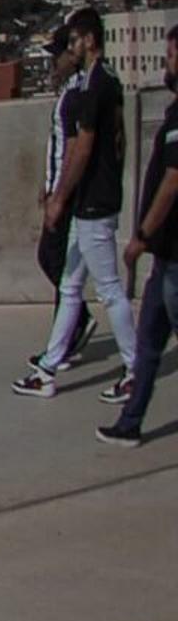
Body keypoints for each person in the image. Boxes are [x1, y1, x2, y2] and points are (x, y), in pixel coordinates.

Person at [17, 8, 128, 399]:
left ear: (89, 40)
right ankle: (49, 366)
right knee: (69, 282)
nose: (67, 52)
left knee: (107, 288)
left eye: (72, 43)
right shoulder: (103, 82)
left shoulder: (89, 89)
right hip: (90, 198)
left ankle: (133, 366)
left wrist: (58, 196)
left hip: (89, 200)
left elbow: (78, 150)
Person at [94, 49, 178, 448]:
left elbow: (174, 180)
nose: (167, 65)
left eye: (173, 56)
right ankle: (130, 422)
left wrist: (142, 235)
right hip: (166, 259)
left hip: (174, 257)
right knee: (147, 347)